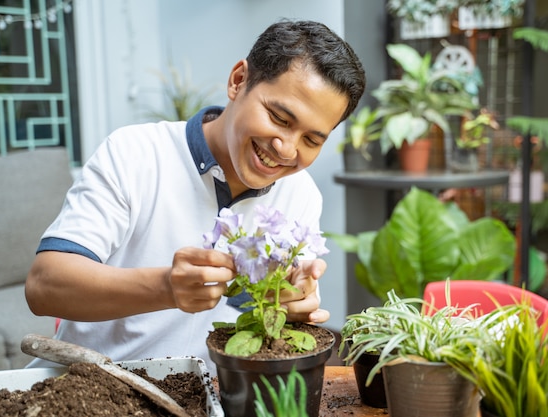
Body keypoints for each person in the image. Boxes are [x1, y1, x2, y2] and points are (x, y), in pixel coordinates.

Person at [24, 19, 365, 372]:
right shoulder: (135, 153)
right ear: (238, 81)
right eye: (279, 118)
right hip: (88, 386)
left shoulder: (301, 195)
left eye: (312, 140)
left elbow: (273, 322)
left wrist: (294, 301)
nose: (286, 149)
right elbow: (44, 285)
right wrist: (166, 287)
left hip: (205, 396)